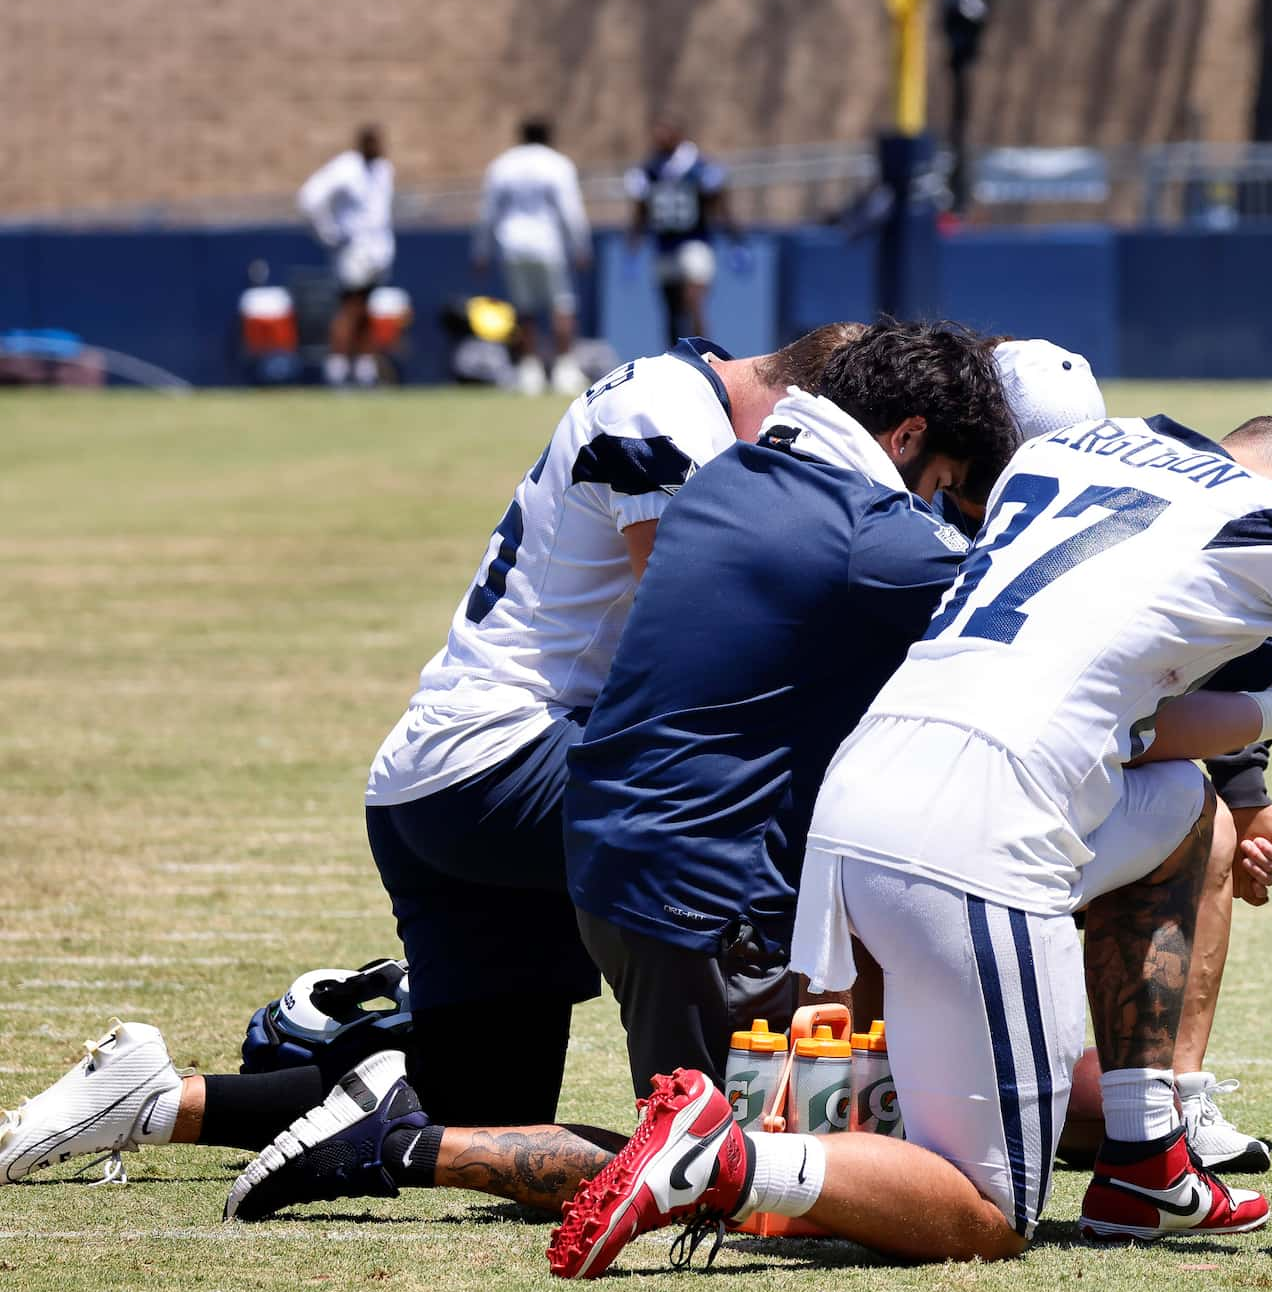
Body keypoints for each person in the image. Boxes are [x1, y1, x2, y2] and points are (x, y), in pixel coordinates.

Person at [541, 411, 1272, 1274]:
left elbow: (1136, 728)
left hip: (861, 798)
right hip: (977, 831)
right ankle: (720, 1156)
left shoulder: (1072, 452)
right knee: (988, 1211)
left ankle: (1147, 1157)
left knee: (1179, 811)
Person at [0, 327, 867, 1185]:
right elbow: (689, 651)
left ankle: (153, 1101)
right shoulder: (671, 415)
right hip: (501, 765)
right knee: (731, 814)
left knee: (474, 1110)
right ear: (809, 415)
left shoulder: (678, 389)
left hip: (452, 779)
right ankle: (724, 1141)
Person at [217, 321, 1021, 1222]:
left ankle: (168, 1102)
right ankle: (405, 1132)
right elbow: (712, 664)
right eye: (940, 485)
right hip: (526, 764)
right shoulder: (698, 437)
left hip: (476, 776)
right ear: (897, 431)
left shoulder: (717, 450)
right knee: (717, 1156)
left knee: (489, 1109)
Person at [474, 120, 592, 397]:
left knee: (524, 309)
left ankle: (529, 371)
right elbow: (570, 210)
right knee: (561, 305)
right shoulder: (558, 164)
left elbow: (488, 212)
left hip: (512, 243)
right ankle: (563, 369)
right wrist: (582, 247)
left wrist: (481, 250)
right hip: (548, 244)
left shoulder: (502, 165)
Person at [298, 126, 395, 387]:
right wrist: (328, 232)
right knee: (350, 307)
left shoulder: (383, 170)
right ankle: (337, 368)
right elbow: (310, 197)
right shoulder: (346, 168)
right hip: (354, 250)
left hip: (378, 251)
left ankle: (364, 370)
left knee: (366, 309)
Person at [625, 122, 731, 344]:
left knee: (693, 300)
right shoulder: (649, 170)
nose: (660, 139)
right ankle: (674, 359)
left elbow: (718, 199)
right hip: (664, 245)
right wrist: (633, 245)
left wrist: (734, 236)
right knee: (671, 308)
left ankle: (704, 356)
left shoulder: (699, 166)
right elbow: (640, 210)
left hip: (694, 241)